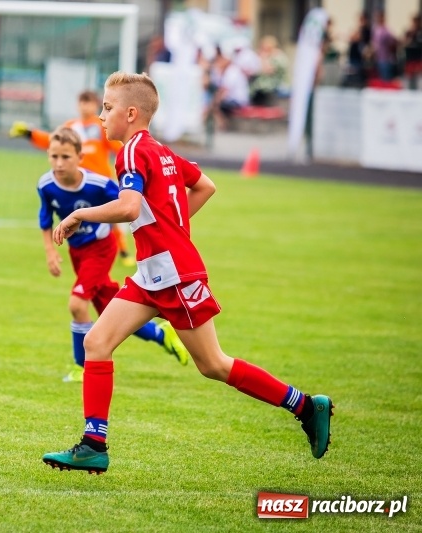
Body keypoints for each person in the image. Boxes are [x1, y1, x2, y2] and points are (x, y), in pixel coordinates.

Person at [41, 72, 334, 474]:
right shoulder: (160, 151)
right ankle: (94, 444)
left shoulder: (130, 152)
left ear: (130, 113)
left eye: (107, 109)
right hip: (152, 273)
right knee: (97, 342)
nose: (101, 117)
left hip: (175, 275)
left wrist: (79, 213)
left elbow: (127, 208)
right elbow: (205, 186)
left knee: (213, 364)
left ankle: (304, 405)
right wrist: (168, 229)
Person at [37, 126, 189, 383]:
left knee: (77, 304)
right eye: (54, 156)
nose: (59, 163)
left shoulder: (98, 185)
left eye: (65, 157)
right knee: (111, 310)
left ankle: (80, 366)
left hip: (101, 249)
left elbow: (128, 203)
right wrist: (50, 252)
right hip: (78, 253)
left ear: (80, 157)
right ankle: (162, 335)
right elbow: (45, 219)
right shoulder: (46, 185)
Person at [10, 90, 135, 267]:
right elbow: (51, 141)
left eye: (89, 102)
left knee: (112, 216)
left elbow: (117, 146)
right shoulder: (70, 126)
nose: (85, 106)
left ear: (95, 105)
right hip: (78, 182)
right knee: (81, 216)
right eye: (82, 102)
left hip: (100, 182)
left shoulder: (102, 126)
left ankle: (123, 250)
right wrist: (30, 133)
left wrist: (133, 157)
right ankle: (87, 251)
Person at [250, 35, 288, 106]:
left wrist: (263, 58)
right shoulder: (261, 55)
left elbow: (268, 70)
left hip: (272, 89)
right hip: (259, 90)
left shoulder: (278, 57)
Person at [403, 14, 422, 90]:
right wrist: (408, 41)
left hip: (419, 59)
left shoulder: (420, 32)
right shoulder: (409, 32)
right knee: (409, 79)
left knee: (419, 79)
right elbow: (404, 43)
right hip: (410, 59)